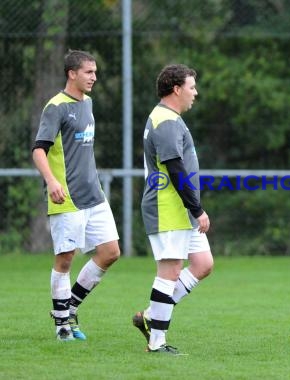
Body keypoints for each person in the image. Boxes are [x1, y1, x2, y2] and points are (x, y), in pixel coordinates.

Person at [32, 49, 121, 342]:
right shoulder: (55, 106)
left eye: (95, 72)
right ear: (72, 74)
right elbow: (38, 150)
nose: (94, 77)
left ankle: (67, 308)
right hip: (66, 195)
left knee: (110, 252)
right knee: (66, 259)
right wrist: (52, 181)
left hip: (93, 193)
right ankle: (62, 327)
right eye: (88, 72)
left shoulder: (88, 103)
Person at [132, 64, 213, 355]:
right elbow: (175, 169)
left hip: (180, 210)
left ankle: (153, 314)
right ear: (176, 89)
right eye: (192, 87)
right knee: (170, 271)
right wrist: (198, 209)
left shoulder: (171, 118)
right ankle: (157, 342)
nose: (195, 92)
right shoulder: (165, 120)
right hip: (168, 208)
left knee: (203, 264)